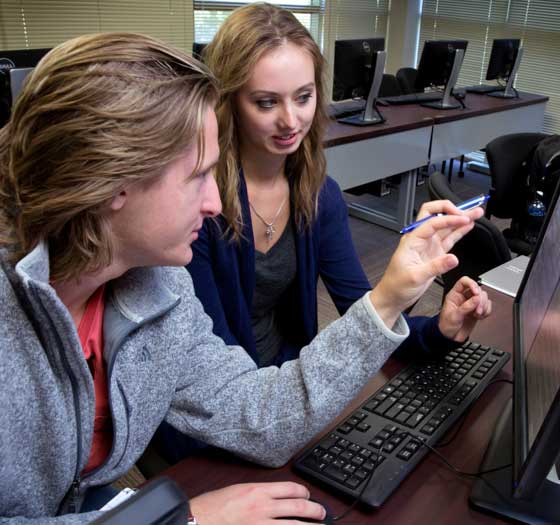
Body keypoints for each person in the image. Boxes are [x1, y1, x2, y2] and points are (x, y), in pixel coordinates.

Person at [0, 32, 487, 525]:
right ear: (112, 182)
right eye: (197, 176)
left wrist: (387, 302)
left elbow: (259, 416)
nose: (213, 202)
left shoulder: (157, 287)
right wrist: (180, 520)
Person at [156, 3, 491, 463]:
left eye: (304, 96)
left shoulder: (317, 195)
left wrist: (439, 329)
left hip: (292, 387)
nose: (291, 121)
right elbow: (216, 386)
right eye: (266, 102)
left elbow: (361, 313)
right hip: (221, 415)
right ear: (229, 100)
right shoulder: (199, 211)